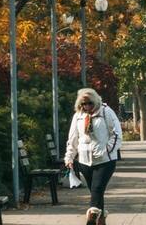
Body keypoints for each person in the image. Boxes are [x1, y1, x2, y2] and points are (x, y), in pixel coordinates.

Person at [63, 88, 122, 225]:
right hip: (84, 161)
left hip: (105, 161)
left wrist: (107, 151)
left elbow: (117, 134)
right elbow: (73, 138)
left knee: (97, 189)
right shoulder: (78, 116)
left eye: (89, 103)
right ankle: (101, 220)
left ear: (95, 101)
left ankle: (90, 221)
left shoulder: (106, 112)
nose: (87, 106)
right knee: (96, 193)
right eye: (83, 104)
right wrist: (69, 157)